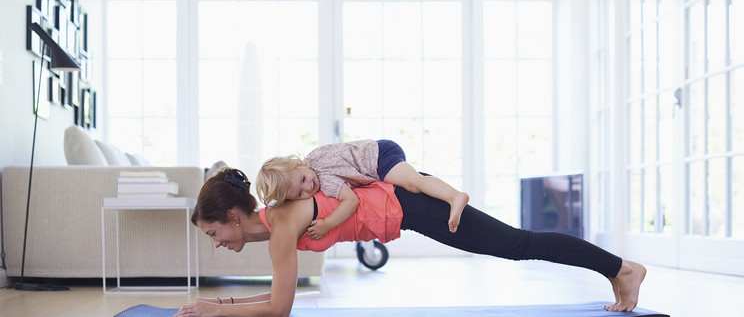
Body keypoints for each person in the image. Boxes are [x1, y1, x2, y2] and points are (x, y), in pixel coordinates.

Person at [175, 168, 646, 317]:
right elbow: (282, 297)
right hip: (407, 210)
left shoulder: (278, 227)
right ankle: (615, 269)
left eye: (214, 233)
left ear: (233, 218)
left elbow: (279, 311)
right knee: (517, 243)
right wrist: (225, 302)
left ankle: (621, 267)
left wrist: (217, 310)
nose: (216, 244)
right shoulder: (278, 222)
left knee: (517, 244)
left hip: (413, 205)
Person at [255, 139, 469, 235]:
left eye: (303, 179)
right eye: (300, 193)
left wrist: (328, 223)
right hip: (379, 148)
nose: (308, 187)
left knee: (414, 183)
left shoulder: (324, 178)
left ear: (298, 163)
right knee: (412, 183)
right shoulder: (315, 156)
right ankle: (452, 196)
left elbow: (351, 201)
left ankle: (454, 197)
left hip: (379, 157)